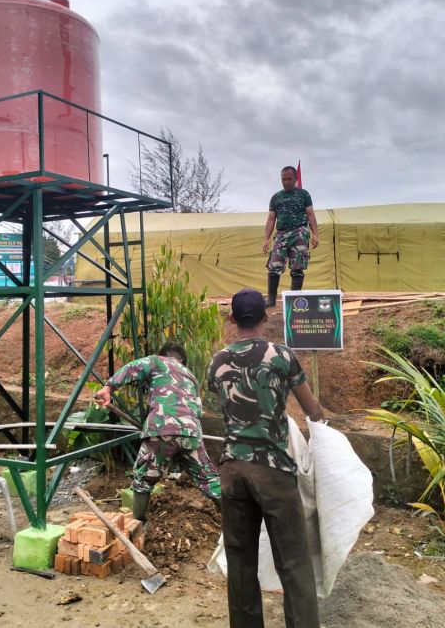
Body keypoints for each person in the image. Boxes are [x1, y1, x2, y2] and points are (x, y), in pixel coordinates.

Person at [207, 288, 324, 628]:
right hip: (272, 469)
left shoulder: (217, 361)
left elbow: (229, 408)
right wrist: (322, 424)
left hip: (231, 470)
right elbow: (311, 409)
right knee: (293, 562)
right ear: (265, 318)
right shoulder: (281, 355)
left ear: (232, 320)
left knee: (241, 562)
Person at [94, 342, 221, 522]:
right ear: (182, 360)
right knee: (210, 480)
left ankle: (138, 525)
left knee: (143, 481)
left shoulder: (156, 361)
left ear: (163, 355)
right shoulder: (191, 377)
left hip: (161, 429)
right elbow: (198, 411)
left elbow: (133, 368)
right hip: (192, 432)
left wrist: (108, 388)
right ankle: (234, 525)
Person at [261, 165, 318, 307]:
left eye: (289, 179)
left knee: (297, 267)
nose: (286, 182)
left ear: (295, 179)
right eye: (283, 179)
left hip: (299, 232)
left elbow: (310, 214)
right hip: (281, 234)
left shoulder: (304, 194)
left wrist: (315, 234)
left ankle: (294, 302)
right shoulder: (276, 197)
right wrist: (266, 239)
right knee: (274, 265)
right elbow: (271, 219)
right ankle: (271, 300)